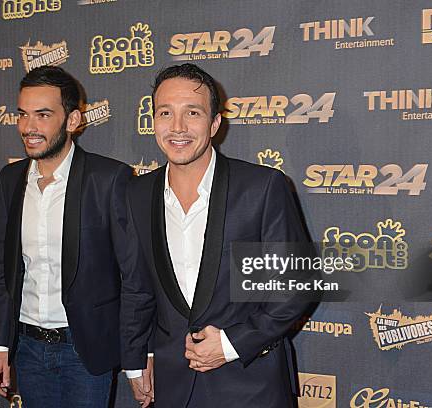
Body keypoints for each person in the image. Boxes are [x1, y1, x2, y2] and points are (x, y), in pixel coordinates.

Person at [120, 63, 311, 407]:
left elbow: (293, 289)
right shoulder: (137, 194)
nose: (177, 127)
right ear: (153, 121)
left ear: (214, 123)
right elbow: (137, 287)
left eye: (192, 112)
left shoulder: (260, 187)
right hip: (172, 383)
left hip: (250, 384)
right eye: (165, 113)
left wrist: (229, 345)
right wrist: (135, 361)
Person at [0, 66, 131, 407]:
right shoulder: (11, 179)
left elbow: (133, 273)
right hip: (27, 349)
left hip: (84, 350)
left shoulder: (109, 179)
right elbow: (2, 270)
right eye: (22, 114)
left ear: (73, 120)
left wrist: (142, 352)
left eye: (43, 115)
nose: (28, 127)